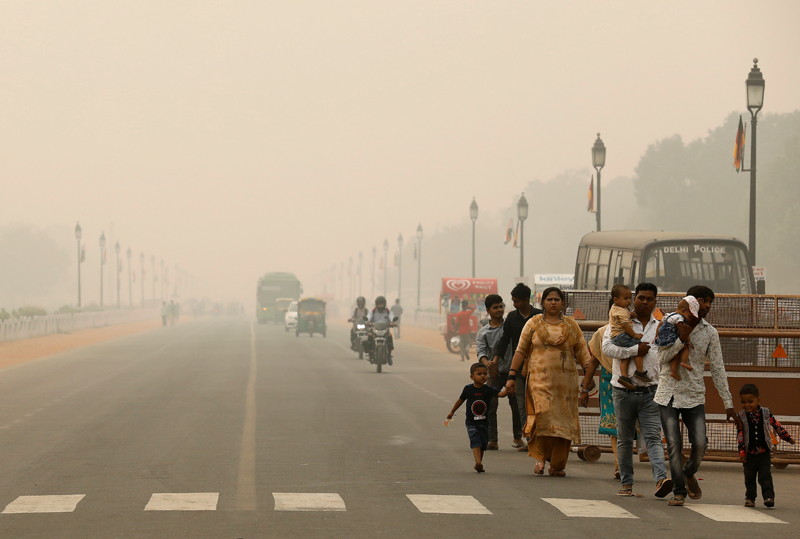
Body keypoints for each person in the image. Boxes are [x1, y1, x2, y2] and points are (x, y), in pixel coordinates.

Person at [655, 285, 740, 507]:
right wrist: (680, 339)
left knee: (700, 443)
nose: (707, 306)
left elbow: (718, 368)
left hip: (694, 395)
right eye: (703, 301)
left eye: (710, 302)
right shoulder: (670, 324)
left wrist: (728, 402)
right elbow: (661, 358)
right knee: (674, 443)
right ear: (691, 301)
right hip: (669, 393)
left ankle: (688, 472)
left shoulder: (710, 332)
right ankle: (679, 492)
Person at [504, 287, 590, 476]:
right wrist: (511, 376)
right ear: (542, 303)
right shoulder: (533, 323)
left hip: (565, 386)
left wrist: (588, 379)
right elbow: (520, 351)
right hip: (538, 382)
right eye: (549, 299)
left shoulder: (571, 325)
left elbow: (583, 354)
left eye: (557, 299)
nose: (553, 302)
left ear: (563, 303)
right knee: (541, 418)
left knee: (563, 424)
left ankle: (556, 465)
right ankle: (541, 459)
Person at [601, 283, 672, 498]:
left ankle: (661, 479)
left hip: (651, 390)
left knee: (653, 437)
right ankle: (627, 483)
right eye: (641, 297)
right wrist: (635, 349)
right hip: (623, 391)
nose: (644, 302)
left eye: (649, 299)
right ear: (634, 299)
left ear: (655, 302)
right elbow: (607, 348)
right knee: (624, 438)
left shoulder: (659, 326)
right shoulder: (619, 321)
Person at [492, 282, 542, 451]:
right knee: (522, 404)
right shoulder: (512, 317)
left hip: (539, 368)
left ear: (527, 300)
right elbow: (504, 340)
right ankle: (529, 438)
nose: (514, 304)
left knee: (539, 403)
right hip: (519, 368)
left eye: (517, 301)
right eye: (512, 301)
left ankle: (541, 437)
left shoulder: (539, 316)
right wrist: (496, 359)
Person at [476, 294, 523, 451]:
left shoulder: (510, 326)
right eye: (495, 307)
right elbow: (481, 351)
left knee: (516, 405)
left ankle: (518, 437)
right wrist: (487, 363)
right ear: (488, 310)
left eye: (501, 306)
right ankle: (492, 440)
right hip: (494, 374)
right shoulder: (484, 332)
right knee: (490, 405)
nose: (499, 310)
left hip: (513, 372)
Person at [737, 383, 795, 508]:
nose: (747, 405)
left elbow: (777, 425)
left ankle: (769, 497)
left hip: (764, 453)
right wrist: (741, 452)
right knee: (749, 477)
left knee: (765, 476)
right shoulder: (741, 417)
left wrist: (787, 438)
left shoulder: (766, 413)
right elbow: (740, 435)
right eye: (743, 402)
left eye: (750, 401)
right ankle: (750, 498)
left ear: (758, 400)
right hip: (749, 454)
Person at [447, 362, 509, 473]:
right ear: (472, 377)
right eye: (479, 374)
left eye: (485, 374)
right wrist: (452, 411)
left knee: (483, 443)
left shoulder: (489, 389)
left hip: (484, 422)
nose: (482, 376)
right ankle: (478, 462)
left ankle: (479, 463)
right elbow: (460, 400)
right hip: (471, 422)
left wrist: (508, 390)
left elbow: (501, 394)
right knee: (476, 440)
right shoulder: (468, 389)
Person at [579, 311, 619, 480]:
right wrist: (585, 389)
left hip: (634, 383)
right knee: (614, 427)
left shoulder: (636, 331)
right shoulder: (602, 333)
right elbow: (593, 361)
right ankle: (619, 464)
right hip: (609, 382)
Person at [609, 284, 650, 389]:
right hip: (621, 335)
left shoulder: (616, 308)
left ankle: (624, 376)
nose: (629, 301)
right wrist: (635, 335)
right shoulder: (622, 311)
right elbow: (625, 324)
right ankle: (639, 372)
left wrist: (630, 314)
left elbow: (622, 317)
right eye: (626, 298)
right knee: (639, 348)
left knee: (626, 356)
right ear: (616, 300)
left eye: (629, 298)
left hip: (616, 337)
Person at [653, 296, 700, 380]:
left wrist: (656, 335)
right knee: (685, 348)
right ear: (683, 310)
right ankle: (684, 362)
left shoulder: (668, 315)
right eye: (689, 316)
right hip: (669, 340)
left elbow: (660, 324)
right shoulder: (680, 318)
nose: (689, 320)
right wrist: (689, 342)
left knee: (675, 355)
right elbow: (684, 332)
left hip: (661, 341)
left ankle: (673, 372)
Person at [367, 296, 396, 365]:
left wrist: (392, 322)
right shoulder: (373, 311)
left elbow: (392, 316)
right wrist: (367, 321)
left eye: (382, 304)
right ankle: (370, 353)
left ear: (385, 304)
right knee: (369, 337)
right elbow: (369, 316)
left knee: (390, 338)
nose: (380, 306)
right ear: (376, 304)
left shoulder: (388, 311)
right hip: (374, 329)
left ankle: (389, 356)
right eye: (379, 304)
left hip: (385, 330)